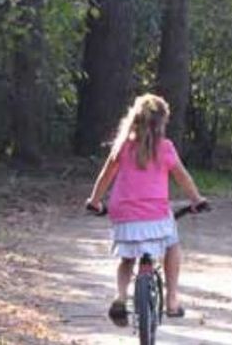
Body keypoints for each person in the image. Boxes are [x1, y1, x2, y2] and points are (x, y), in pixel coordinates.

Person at [86, 93, 206, 327]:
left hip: (124, 215)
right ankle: (172, 301)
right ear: (162, 122)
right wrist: (197, 199)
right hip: (156, 215)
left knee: (127, 259)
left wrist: (95, 201)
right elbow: (182, 177)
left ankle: (120, 297)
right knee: (172, 245)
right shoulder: (166, 148)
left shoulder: (122, 147)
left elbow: (105, 177)